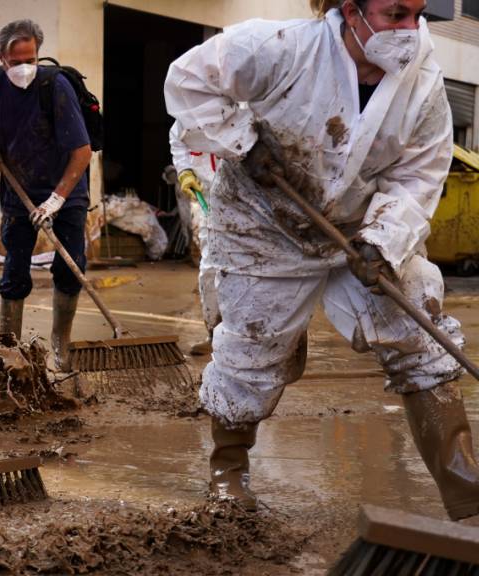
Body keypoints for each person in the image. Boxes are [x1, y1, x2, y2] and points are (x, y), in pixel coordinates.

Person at [165, 0, 479, 520]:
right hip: (262, 225)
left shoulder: (423, 83)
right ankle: (228, 474)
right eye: (394, 14)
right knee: (254, 348)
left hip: (354, 231)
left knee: (418, 321)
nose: (408, 30)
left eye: (417, 15)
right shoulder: (280, 47)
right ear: (352, 10)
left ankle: (463, 483)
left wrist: (383, 239)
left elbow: (419, 174)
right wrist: (244, 142)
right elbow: (188, 81)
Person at [0, 19, 92, 369]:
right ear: (1, 57)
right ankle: (10, 348)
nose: (24, 68)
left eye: (30, 59)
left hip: (67, 190)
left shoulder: (57, 86)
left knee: (69, 268)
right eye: (15, 61)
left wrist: (56, 199)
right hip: (18, 188)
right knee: (14, 270)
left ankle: (60, 344)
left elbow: (82, 152)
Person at [169, 122, 220, 356]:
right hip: (207, 198)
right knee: (209, 268)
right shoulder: (184, 118)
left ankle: (261, 339)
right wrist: (184, 171)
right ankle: (215, 333)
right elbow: (177, 141)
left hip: (244, 199)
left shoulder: (239, 106)